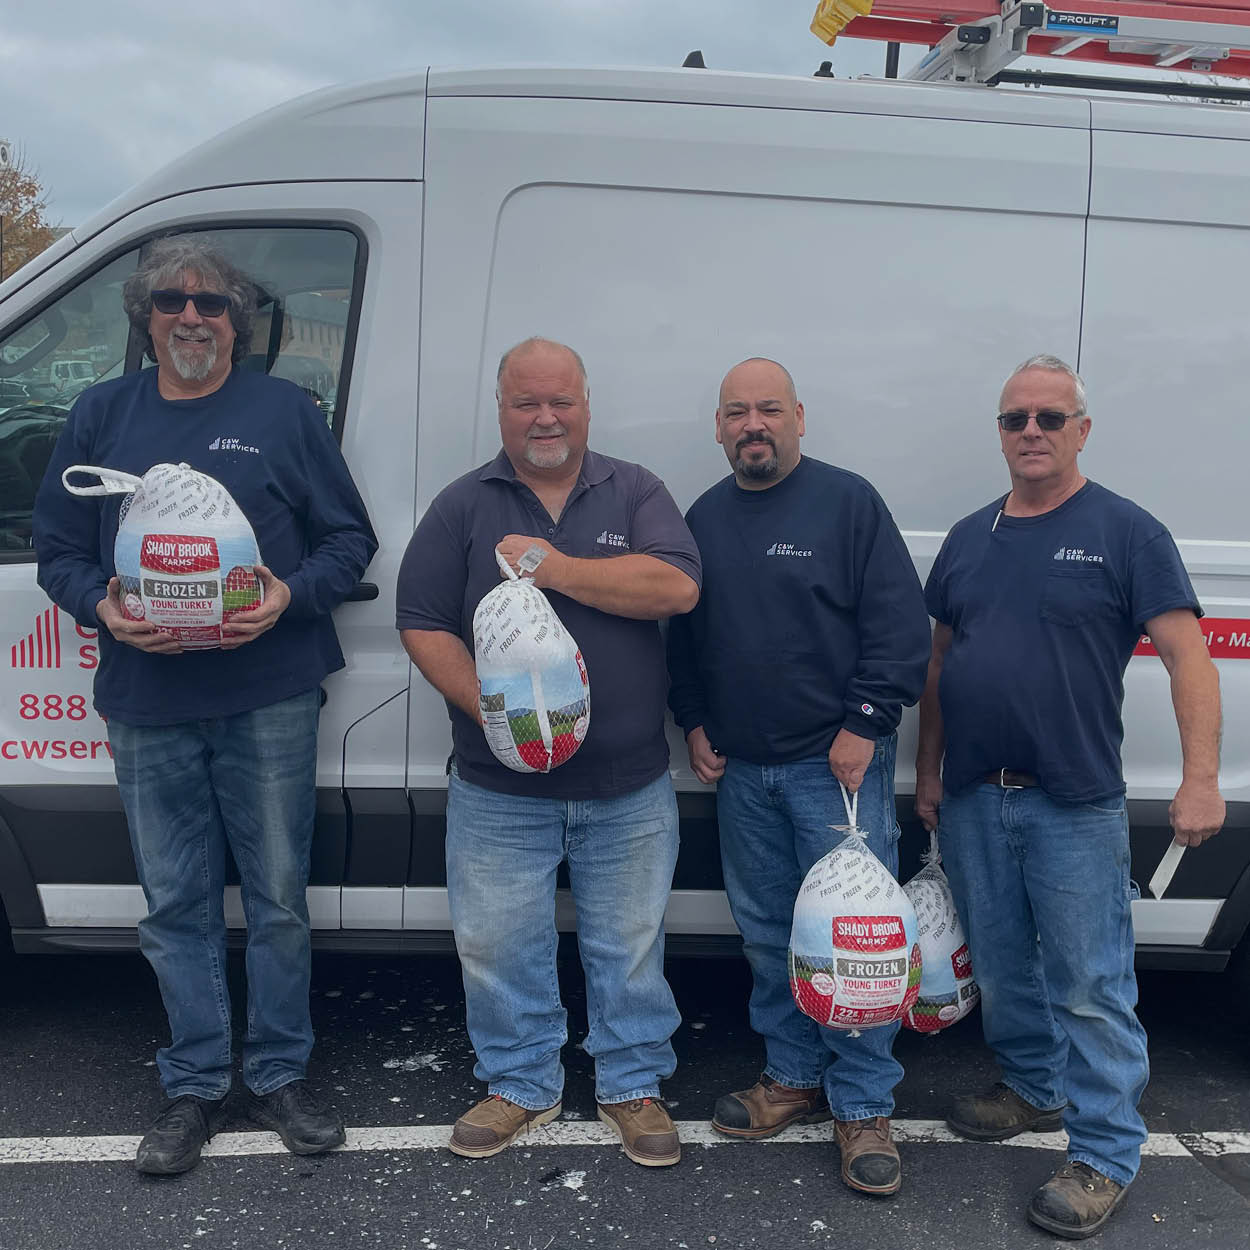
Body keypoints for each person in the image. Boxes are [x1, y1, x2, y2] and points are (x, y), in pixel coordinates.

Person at [33, 235, 377, 1175]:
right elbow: (58, 544)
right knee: (175, 901)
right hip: (147, 699)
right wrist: (100, 602)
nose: (193, 315)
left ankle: (276, 1075)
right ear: (146, 321)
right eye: (174, 302)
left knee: (277, 899)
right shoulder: (101, 415)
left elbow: (350, 540)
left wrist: (288, 597)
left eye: (213, 303)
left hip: (266, 695)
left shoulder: (284, 412)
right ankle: (192, 1086)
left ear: (241, 319)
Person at [915, 354, 1225, 1239]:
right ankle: (1032, 1087)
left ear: (1083, 429)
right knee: (1008, 967)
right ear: (1001, 434)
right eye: (1016, 420)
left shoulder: (1128, 531)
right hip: (976, 797)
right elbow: (940, 665)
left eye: (1051, 418)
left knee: (1091, 984)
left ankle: (1103, 1154)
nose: (1033, 434)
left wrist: (1200, 779)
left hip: (1073, 802)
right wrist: (931, 771)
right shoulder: (971, 538)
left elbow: (1187, 658)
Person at [396, 337, 700, 1167]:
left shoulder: (635, 490)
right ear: (501, 409)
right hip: (499, 786)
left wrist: (555, 569)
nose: (544, 417)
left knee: (629, 942)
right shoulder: (464, 505)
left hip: (627, 783)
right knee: (497, 942)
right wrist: (494, 711)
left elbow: (676, 585)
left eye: (560, 400)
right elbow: (421, 621)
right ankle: (521, 1083)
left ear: (586, 405)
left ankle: (632, 1084)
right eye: (527, 402)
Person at [666, 357, 930, 1196]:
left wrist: (864, 724)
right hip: (744, 771)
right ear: (718, 427)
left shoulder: (847, 503)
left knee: (855, 945)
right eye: (738, 412)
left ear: (800, 418)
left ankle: (862, 1105)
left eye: (769, 409)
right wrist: (695, 720)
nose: (754, 424)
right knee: (769, 935)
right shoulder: (702, 517)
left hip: (835, 769)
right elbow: (685, 641)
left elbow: (899, 629)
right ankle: (791, 1076)